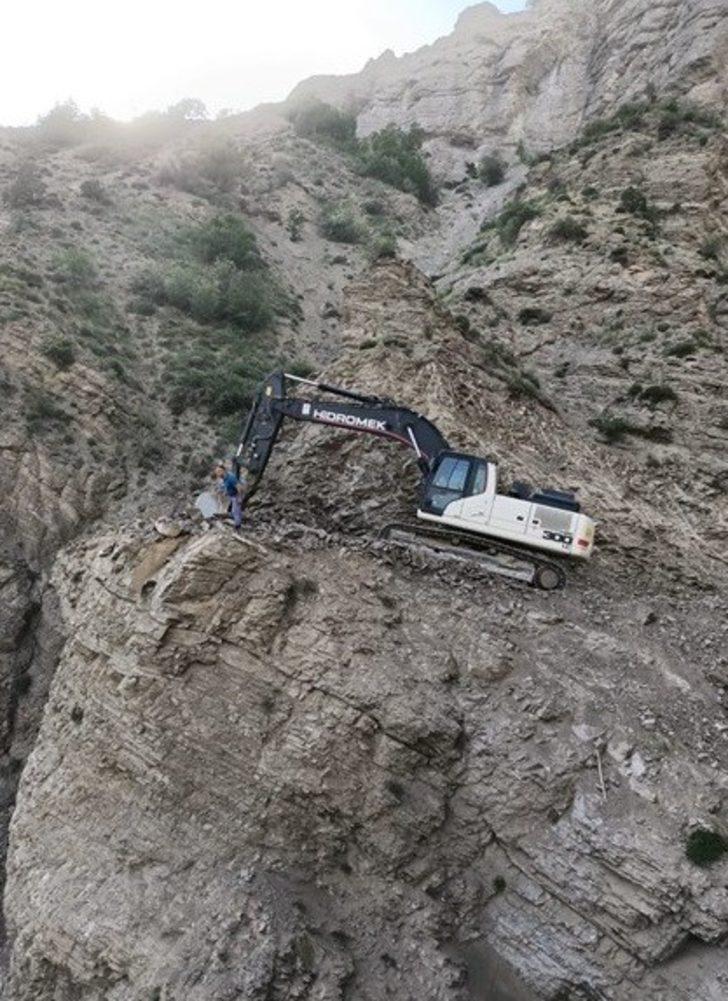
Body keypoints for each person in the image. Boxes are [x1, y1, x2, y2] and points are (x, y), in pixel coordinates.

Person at [213, 462, 244, 530]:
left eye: (219, 471)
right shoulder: (224, 478)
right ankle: (240, 520)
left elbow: (239, 487)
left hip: (236, 495)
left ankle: (237, 527)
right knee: (235, 510)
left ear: (223, 470)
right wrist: (225, 492)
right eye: (216, 472)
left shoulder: (230, 477)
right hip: (232, 496)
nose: (218, 474)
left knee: (235, 511)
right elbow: (226, 487)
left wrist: (239, 498)